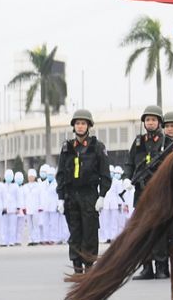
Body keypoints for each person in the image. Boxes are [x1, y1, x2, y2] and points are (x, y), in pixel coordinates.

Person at [56, 109, 111, 274]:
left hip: (89, 195)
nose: (80, 126)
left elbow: (105, 175)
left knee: (90, 232)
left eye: (83, 123)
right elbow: (60, 174)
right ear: (74, 126)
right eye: (78, 123)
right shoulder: (67, 148)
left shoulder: (97, 147)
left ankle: (89, 267)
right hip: (71, 195)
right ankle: (77, 267)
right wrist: (60, 198)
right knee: (75, 232)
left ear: (89, 126)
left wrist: (101, 196)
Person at [125, 105, 173, 279]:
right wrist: (127, 178)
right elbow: (130, 163)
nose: (150, 122)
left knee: (160, 230)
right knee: (143, 230)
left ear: (159, 122)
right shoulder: (138, 142)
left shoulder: (168, 143)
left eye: (154, 120)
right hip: (141, 191)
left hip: (160, 192)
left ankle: (162, 267)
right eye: (148, 120)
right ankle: (147, 267)